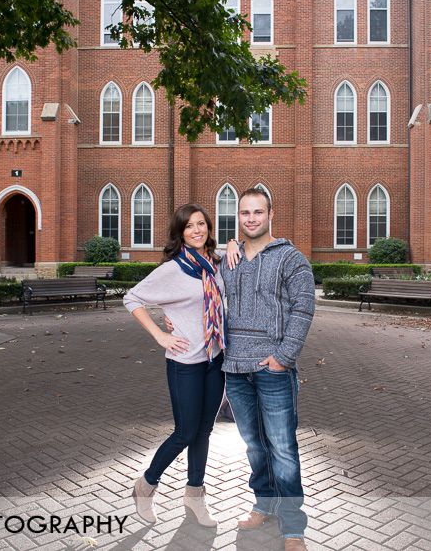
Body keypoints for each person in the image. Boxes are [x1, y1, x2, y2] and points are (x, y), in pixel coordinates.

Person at [221, 188, 315, 551]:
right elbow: (206, 292)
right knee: (254, 446)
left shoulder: (292, 259)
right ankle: (264, 504)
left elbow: (303, 310)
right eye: (244, 213)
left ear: (270, 214)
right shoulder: (229, 259)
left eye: (257, 212)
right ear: (239, 217)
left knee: (282, 448)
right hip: (235, 367)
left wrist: (284, 357)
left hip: (273, 368)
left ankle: (293, 528)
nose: (251, 219)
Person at [123, 203, 226, 527]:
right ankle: (146, 485)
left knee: (204, 431)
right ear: (180, 233)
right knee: (185, 432)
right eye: (189, 226)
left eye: (201, 224)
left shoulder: (215, 263)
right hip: (185, 362)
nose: (197, 230)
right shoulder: (173, 269)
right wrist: (159, 335)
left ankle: (195, 495)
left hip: (214, 358)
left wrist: (235, 243)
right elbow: (132, 298)